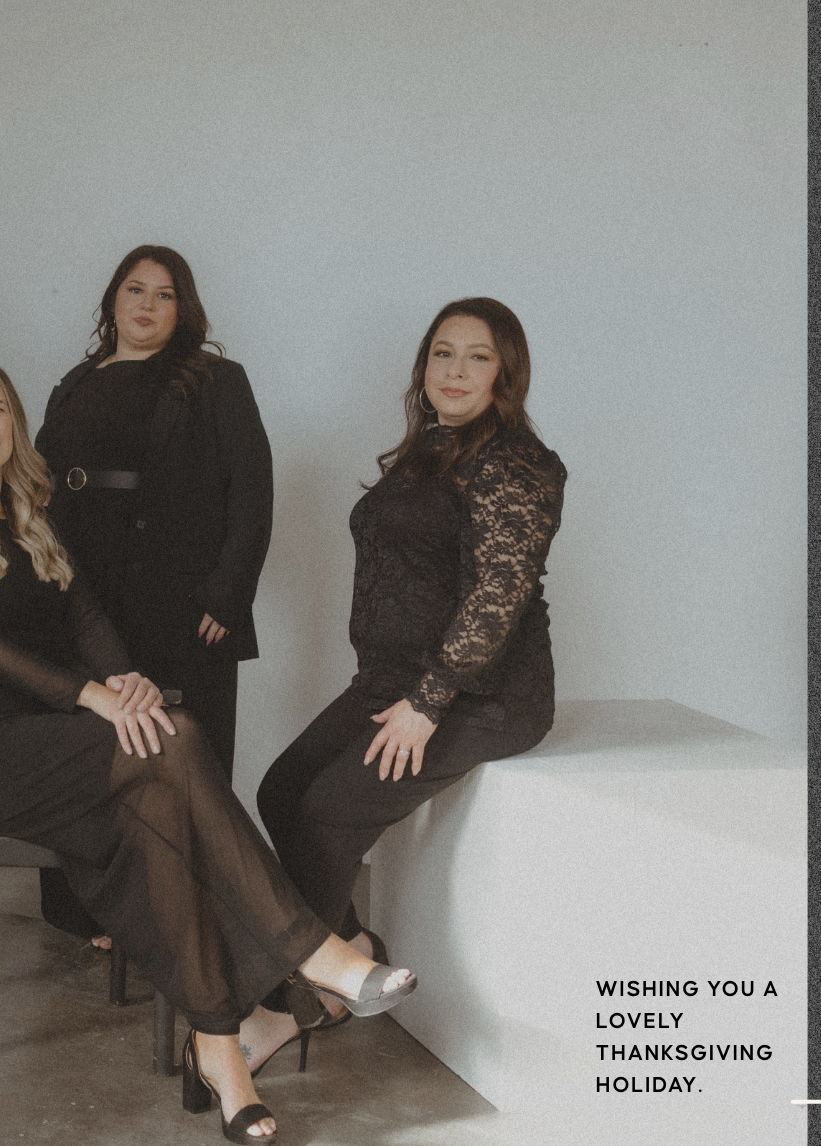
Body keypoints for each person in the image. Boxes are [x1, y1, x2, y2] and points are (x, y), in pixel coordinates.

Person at [0, 354, 415, 1144]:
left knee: (165, 786)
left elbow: (88, 618)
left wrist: (126, 680)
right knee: (176, 746)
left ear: (15, 423)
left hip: (60, 741)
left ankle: (220, 1053)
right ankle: (314, 952)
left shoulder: (34, 512)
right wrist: (91, 696)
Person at [238, 298, 566, 1069]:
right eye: (441, 354)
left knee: (326, 813)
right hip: (392, 678)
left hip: (482, 693)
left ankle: (287, 1008)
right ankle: (351, 945)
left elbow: (500, 592)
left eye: (477, 357)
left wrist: (429, 701)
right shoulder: (433, 450)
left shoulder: (515, 461)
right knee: (282, 792)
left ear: (506, 372)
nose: (454, 371)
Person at [34, 245, 272, 943]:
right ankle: (92, 910)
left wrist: (228, 596)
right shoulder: (73, 384)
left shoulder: (215, 381)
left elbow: (251, 493)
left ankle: (190, 912)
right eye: (134, 290)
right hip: (84, 593)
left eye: (164, 295)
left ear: (183, 309)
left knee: (185, 758)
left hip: (182, 602)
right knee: (93, 753)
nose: (146, 305)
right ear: (112, 300)